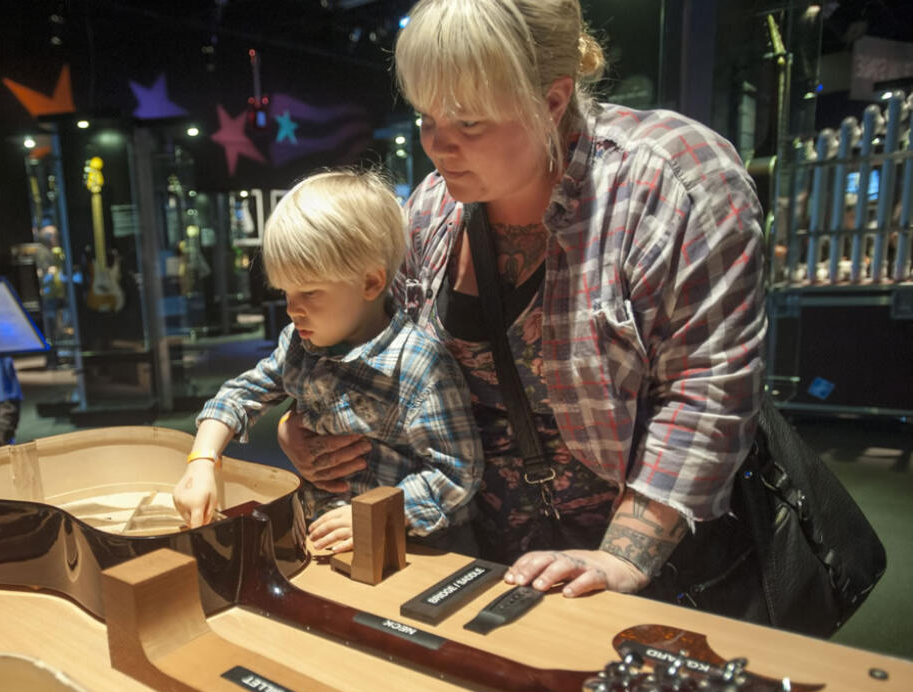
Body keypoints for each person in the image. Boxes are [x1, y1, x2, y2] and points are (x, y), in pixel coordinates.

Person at [278, 0, 766, 599]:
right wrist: (303, 423)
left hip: (650, 567)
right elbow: (379, 350)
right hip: (477, 551)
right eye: (427, 119)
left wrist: (620, 559)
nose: (439, 147)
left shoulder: (672, 181)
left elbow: (707, 387)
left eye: (469, 124)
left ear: (554, 100)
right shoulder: (433, 209)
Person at [173, 169, 483, 554]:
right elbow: (238, 395)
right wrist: (202, 460)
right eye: (286, 292)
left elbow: (456, 473)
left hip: (408, 547)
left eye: (310, 292)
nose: (292, 310)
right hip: (324, 536)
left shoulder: (419, 365)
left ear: (370, 283)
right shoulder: (299, 345)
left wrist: (377, 514)